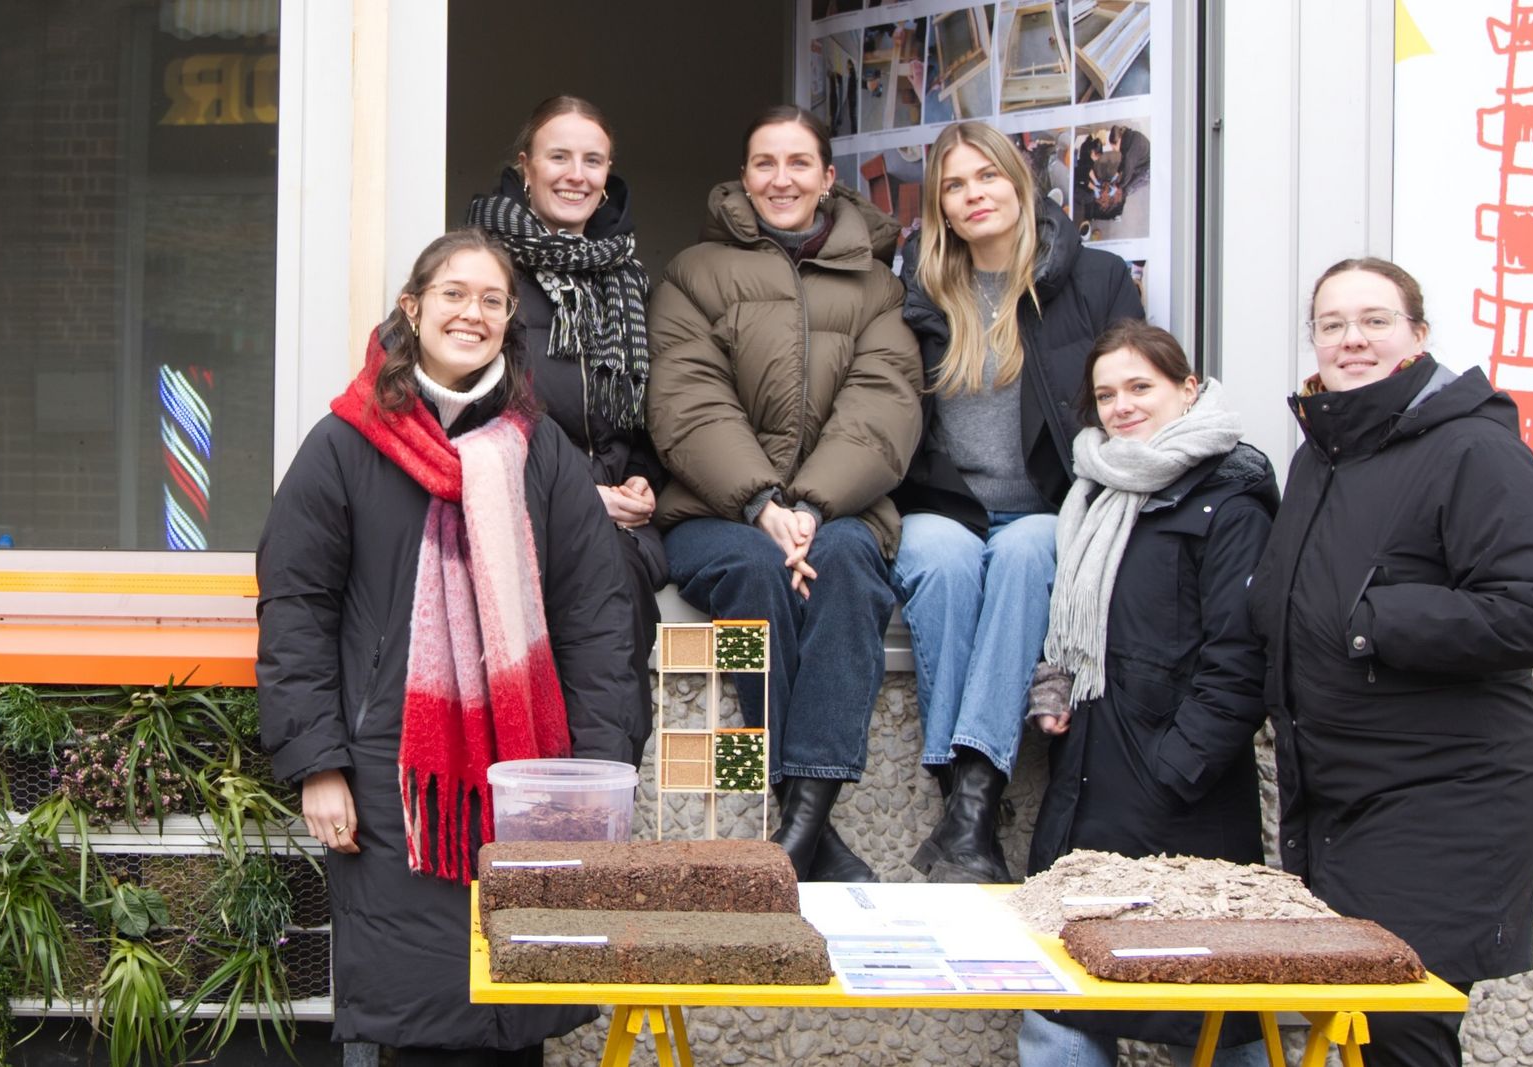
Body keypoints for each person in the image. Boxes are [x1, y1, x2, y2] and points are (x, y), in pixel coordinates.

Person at [257, 230, 639, 1066]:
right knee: (418, 1019)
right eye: (454, 294)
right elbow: (296, 611)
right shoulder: (346, 443)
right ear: (413, 307)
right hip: (396, 777)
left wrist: (598, 770)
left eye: (493, 300)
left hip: (529, 783)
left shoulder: (543, 452)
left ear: (509, 321)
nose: (473, 312)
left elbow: (598, 619)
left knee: (512, 1018)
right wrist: (318, 761)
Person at [1248, 257, 1533, 1067]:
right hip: (1338, 800)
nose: (1352, 338)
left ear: (1416, 336)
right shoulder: (1319, 456)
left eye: (1374, 320)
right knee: (1352, 1025)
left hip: (1447, 797)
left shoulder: (1472, 449)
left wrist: (1374, 620)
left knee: (1397, 1027)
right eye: (1332, 324)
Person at [648, 106, 923, 881]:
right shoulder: (693, 273)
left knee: (846, 566)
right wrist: (762, 505)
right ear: (743, 177)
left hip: (835, 511)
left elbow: (884, 404)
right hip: (715, 512)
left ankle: (800, 823)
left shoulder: (875, 285)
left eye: (799, 163)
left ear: (828, 177)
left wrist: (808, 507)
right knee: (754, 571)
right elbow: (687, 401)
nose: (781, 179)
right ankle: (809, 823)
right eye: (764, 163)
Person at [1013, 321, 1274, 1067]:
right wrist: (1051, 691)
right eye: (1106, 394)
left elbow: (1241, 660)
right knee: (1063, 1004)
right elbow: (1072, 626)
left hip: (1184, 810)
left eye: (1140, 387)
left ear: (1187, 389)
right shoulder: (1091, 492)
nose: (1121, 406)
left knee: (1217, 1012)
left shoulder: (1232, 499)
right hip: (1085, 792)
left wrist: (1174, 771)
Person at [893, 120, 1141, 883]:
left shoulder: (1096, 279)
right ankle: (967, 808)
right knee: (940, 561)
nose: (974, 196)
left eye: (987, 177)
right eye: (955, 185)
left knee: (1029, 552)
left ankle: (972, 804)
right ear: (940, 206)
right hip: (945, 500)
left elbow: (1129, 396)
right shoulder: (918, 288)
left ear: (1021, 183)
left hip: (1048, 502)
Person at [465, 95, 664, 764]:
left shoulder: (631, 279)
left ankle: (602, 790)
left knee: (618, 594)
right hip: (520, 506)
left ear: (608, 174)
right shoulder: (482, 274)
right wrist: (579, 493)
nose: (575, 174)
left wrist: (646, 478)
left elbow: (653, 412)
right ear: (525, 167)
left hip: (620, 514)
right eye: (558, 156)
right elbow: (476, 413)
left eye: (592, 160)